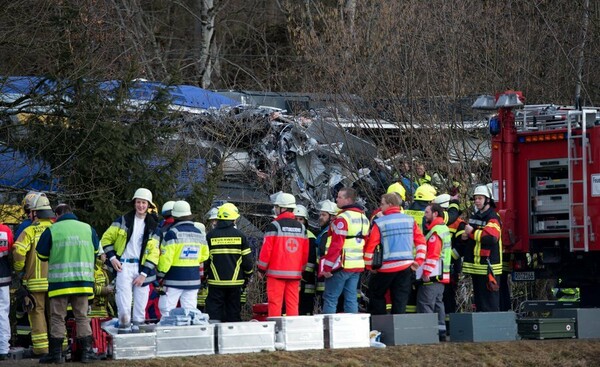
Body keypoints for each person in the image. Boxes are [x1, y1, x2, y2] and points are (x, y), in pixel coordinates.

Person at [36, 204, 99, 363]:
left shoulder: (53, 230)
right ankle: (86, 353)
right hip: (83, 283)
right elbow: (96, 251)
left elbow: (41, 254)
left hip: (60, 283)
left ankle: (56, 355)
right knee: (82, 317)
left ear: (57, 215)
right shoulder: (87, 229)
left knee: (57, 318)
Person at [101, 188, 159, 331]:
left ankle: (139, 332)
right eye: (138, 202)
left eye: (144, 203)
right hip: (124, 266)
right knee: (123, 302)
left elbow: (154, 252)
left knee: (141, 303)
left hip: (142, 268)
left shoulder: (153, 225)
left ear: (149, 205)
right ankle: (124, 328)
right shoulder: (123, 220)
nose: (141, 206)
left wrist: (144, 274)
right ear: (134, 203)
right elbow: (106, 239)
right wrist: (113, 258)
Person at [364, 193, 425, 314]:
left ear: (390, 204)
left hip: (385, 268)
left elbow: (371, 247)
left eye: (382, 204)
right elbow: (421, 242)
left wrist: (370, 266)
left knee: (376, 295)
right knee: (400, 299)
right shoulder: (409, 220)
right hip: (406, 267)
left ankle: (380, 326)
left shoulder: (380, 222)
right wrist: (418, 262)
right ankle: (398, 329)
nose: (380, 207)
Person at [12, 193, 54, 356]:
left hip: (35, 283)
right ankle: (61, 347)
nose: (28, 215)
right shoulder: (56, 229)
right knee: (56, 316)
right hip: (55, 282)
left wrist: (19, 268)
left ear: (36, 212)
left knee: (37, 315)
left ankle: (41, 349)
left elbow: (18, 251)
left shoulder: (29, 230)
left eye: (30, 211)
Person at [257, 192, 309, 317]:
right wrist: (301, 269)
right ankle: (291, 331)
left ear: (283, 208)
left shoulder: (274, 226)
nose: (275, 209)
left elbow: (266, 250)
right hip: (295, 274)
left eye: (277, 207)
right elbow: (305, 253)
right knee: (293, 304)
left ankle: (275, 330)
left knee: (275, 303)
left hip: (276, 273)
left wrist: (261, 268)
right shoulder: (302, 228)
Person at [321, 187, 369, 314]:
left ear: (348, 200)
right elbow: (366, 242)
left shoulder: (342, 218)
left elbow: (336, 244)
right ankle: (351, 329)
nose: (337, 199)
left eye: (340, 197)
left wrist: (327, 267)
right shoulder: (364, 218)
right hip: (357, 265)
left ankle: (328, 331)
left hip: (341, 264)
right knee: (351, 299)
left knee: (331, 298)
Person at [157, 201, 209, 317]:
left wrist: (160, 274)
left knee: (166, 310)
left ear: (174, 216)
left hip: (173, 279)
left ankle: (168, 334)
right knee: (190, 312)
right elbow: (205, 255)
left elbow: (166, 259)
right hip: (193, 279)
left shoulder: (172, 233)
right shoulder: (199, 233)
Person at [204, 203, 253, 322]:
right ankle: (232, 337)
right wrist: (248, 274)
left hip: (215, 282)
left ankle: (214, 337)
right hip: (235, 282)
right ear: (234, 219)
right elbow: (247, 261)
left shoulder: (210, 236)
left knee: (214, 313)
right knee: (233, 312)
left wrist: (204, 274)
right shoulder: (240, 236)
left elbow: (205, 259)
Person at [462, 184, 502, 312]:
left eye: (480, 198)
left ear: (488, 200)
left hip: (489, 267)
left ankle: (491, 329)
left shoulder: (493, 217)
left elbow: (491, 238)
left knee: (489, 303)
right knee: (480, 303)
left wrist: (471, 233)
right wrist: (465, 236)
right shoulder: (476, 216)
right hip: (477, 267)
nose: (477, 201)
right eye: (475, 198)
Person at [415, 203, 451, 340]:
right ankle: (440, 333)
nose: (425, 215)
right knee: (438, 304)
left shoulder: (435, 231)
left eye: (427, 212)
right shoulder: (443, 228)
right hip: (441, 276)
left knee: (425, 303)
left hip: (433, 276)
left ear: (435, 214)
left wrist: (426, 273)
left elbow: (433, 255)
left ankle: (428, 334)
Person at [432, 194, 467, 322]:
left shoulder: (459, 224)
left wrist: (450, 259)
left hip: (451, 266)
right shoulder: (437, 223)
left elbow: (461, 247)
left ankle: (448, 323)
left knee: (448, 295)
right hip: (437, 264)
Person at [294, 205, 318, 315]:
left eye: (301, 219)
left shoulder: (310, 237)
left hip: (307, 281)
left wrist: (304, 277)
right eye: (296, 219)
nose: (298, 222)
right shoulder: (289, 234)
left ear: (305, 221)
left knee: (305, 310)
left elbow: (311, 261)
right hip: (292, 278)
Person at [0, 220, 14, 360]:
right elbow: (11, 249)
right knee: (3, 312)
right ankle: (3, 349)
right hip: (3, 275)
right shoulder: (5, 230)